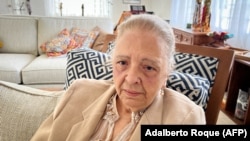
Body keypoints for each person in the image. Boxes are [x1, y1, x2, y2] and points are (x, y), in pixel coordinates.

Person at [31, 14, 206, 141]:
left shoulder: (186, 118)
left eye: (149, 67)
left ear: (166, 73)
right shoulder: (78, 91)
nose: (131, 79)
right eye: (122, 62)